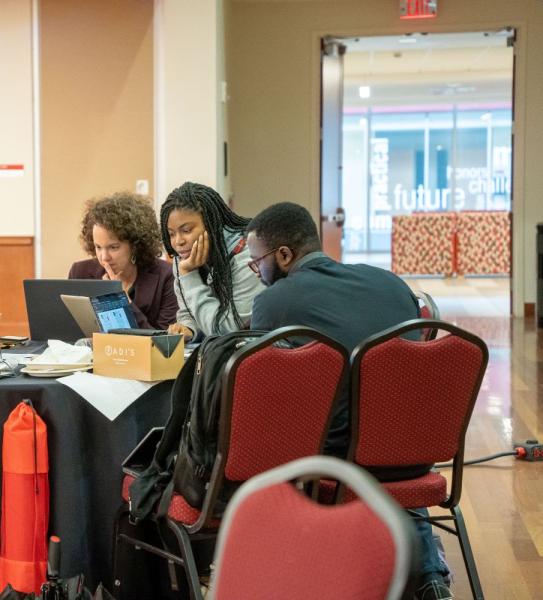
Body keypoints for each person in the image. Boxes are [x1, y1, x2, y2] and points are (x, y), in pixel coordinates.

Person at [246, 202, 452, 600]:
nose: (257, 273)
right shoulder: (391, 283)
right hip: (418, 450)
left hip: (338, 459)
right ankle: (429, 579)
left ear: (285, 256)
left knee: (290, 437)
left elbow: (267, 390)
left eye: (257, 264)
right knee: (385, 428)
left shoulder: (275, 302)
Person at [160, 182, 264, 341]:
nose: (178, 242)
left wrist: (189, 275)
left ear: (211, 225)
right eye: (172, 234)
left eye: (186, 231)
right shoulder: (183, 258)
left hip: (252, 354)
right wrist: (188, 328)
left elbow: (225, 329)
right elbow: (188, 311)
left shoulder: (248, 257)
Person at [69, 192, 178, 330]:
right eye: (98, 247)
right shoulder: (80, 273)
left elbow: (163, 342)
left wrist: (122, 300)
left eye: (113, 247)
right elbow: (70, 333)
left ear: (135, 245)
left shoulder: (166, 275)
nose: (104, 257)